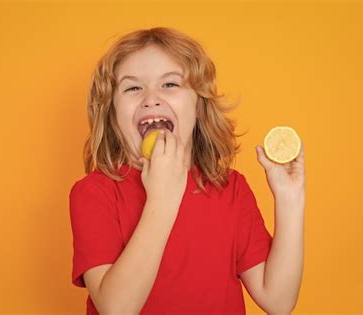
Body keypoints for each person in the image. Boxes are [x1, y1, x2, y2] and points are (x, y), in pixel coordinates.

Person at [69, 27, 306, 315]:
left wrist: (290, 199)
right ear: (112, 115)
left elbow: (278, 302)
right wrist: (163, 198)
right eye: (133, 88)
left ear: (198, 107)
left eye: (169, 84)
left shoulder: (230, 188)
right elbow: (116, 309)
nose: (151, 98)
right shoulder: (94, 194)